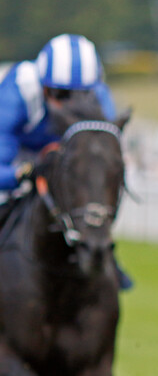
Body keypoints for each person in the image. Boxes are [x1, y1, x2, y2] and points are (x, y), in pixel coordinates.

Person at [0, 33, 132, 290]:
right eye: (62, 94)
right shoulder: (18, 91)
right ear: (44, 88)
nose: (71, 104)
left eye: (80, 95)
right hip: (19, 158)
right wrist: (26, 171)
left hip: (64, 160)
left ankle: (107, 262)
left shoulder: (101, 95)